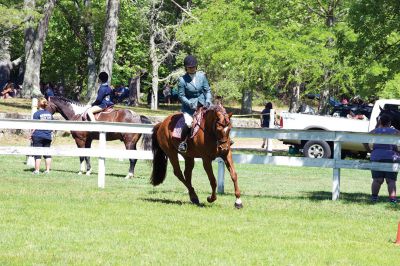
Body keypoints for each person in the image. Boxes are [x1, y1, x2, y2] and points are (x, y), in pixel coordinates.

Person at [177, 55, 212, 153]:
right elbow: (181, 96)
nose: (192, 69)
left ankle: (225, 140)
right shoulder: (182, 80)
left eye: (193, 67)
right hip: (189, 107)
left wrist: (208, 100)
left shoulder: (202, 76)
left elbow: (207, 90)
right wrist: (190, 104)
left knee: (218, 118)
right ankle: (183, 142)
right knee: (188, 123)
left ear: (196, 67)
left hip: (204, 104)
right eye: (189, 67)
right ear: (186, 68)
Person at [363, 113, 400, 204]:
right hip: (391, 157)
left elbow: (364, 139)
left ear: (380, 121)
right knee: (391, 180)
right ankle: (392, 200)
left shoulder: (375, 131)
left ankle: (374, 198)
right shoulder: (394, 131)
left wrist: (370, 150)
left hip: (376, 156)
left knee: (377, 179)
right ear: (390, 122)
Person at [30, 97, 53, 174]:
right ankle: (47, 170)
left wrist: (31, 135)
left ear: (39, 104)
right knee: (47, 154)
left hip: (38, 135)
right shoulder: (49, 114)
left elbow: (34, 126)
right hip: (47, 136)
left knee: (38, 154)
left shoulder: (36, 114)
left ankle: (37, 170)